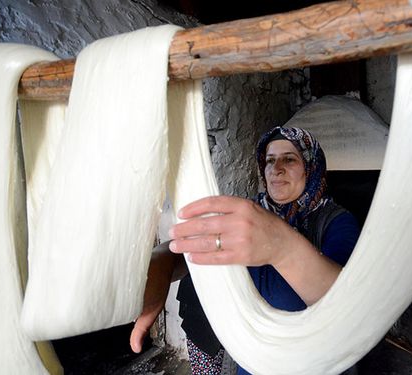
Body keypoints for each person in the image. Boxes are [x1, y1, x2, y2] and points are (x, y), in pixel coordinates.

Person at [130, 126, 360, 374]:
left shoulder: (335, 222)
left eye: (290, 159)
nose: (277, 168)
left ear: (311, 167)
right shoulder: (251, 212)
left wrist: (282, 247)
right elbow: (198, 247)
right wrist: (162, 261)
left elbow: (346, 304)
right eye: (270, 161)